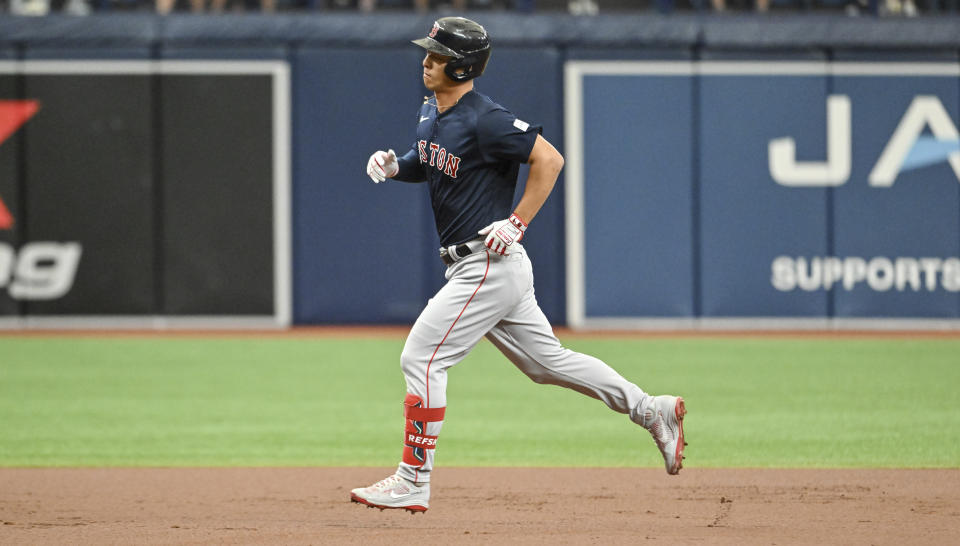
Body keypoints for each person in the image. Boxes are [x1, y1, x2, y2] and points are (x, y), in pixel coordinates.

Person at [352, 16, 687, 514]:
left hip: (486, 261)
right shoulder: (431, 109)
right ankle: (651, 410)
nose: (426, 60)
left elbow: (550, 160)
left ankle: (413, 479)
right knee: (547, 364)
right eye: (428, 51)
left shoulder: (485, 118)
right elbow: (430, 160)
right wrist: (398, 165)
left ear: (463, 66)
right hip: (486, 268)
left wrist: (517, 220)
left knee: (421, 358)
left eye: (437, 55)